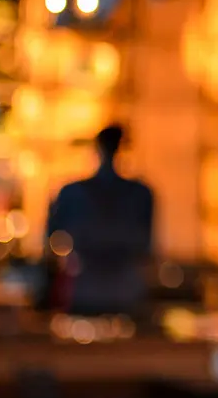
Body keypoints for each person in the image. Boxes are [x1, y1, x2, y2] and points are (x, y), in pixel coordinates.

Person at [46, 124, 155, 318]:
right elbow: (148, 247)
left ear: (97, 149)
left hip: (92, 289)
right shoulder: (140, 194)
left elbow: (50, 238)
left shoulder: (72, 192)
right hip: (122, 290)